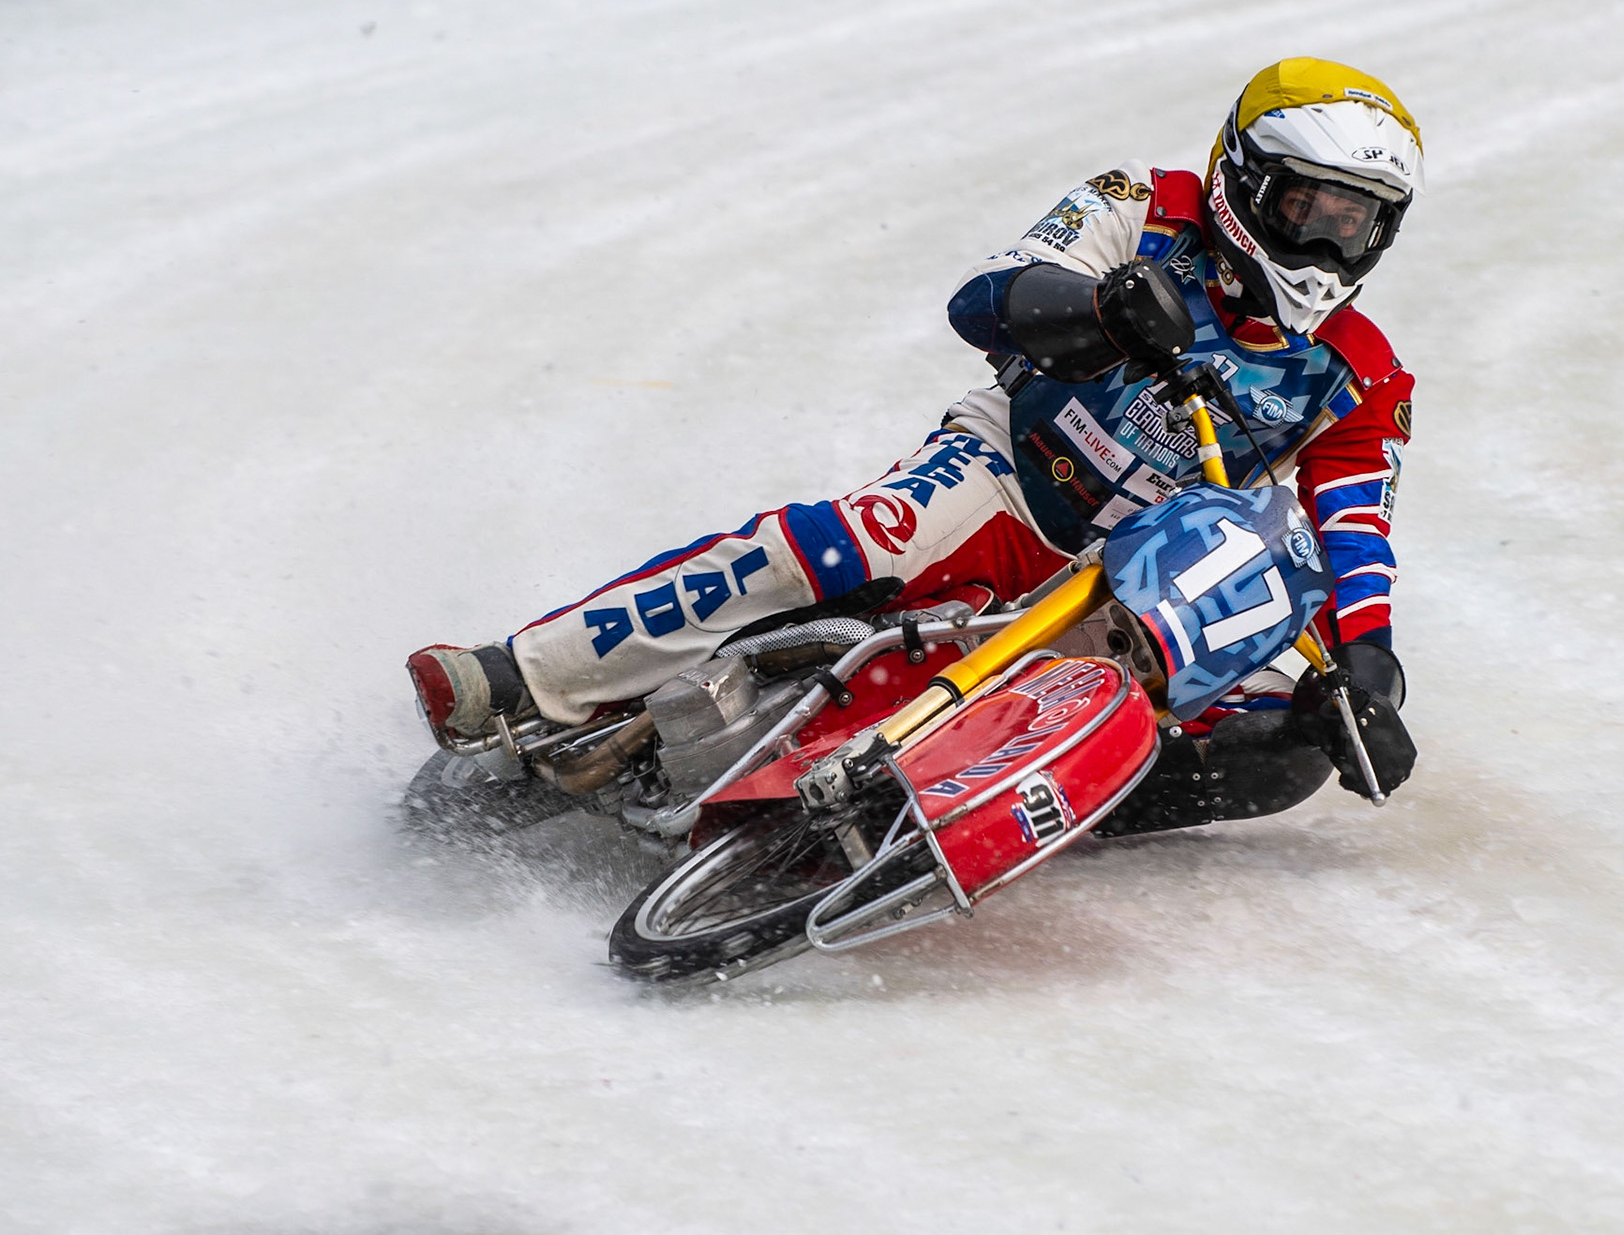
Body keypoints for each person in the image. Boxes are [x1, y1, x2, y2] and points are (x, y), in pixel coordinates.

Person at [408, 57, 1422, 832]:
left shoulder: (1364, 372)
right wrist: (1105, 310)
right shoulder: (1137, 204)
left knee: (1285, 750)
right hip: (1008, 477)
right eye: (1309, 209)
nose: (1329, 245)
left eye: (1357, 224)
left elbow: (1352, 530)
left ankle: (965, 818)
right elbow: (985, 298)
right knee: (855, 541)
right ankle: (516, 675)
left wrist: (1368, 669)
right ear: (1242, 178)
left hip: (1143, 579)